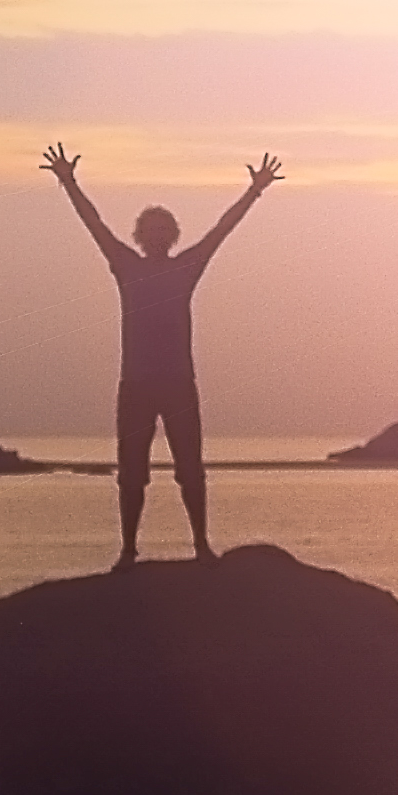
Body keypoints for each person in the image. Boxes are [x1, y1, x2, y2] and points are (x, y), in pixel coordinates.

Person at [42, 141, 280, 565]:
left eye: (161, 231)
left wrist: (254, 191)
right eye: (148, 231)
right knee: (131, 472)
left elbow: (222, 230)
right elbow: (94, 224)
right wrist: (69, 183)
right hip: (135, 385)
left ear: (171, 237)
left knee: (191, 468)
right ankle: (130, 549)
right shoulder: (126, 267)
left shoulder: (185, 268)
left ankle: (201, 546)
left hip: (177, 384)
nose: (155, 237)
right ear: (140, 237)